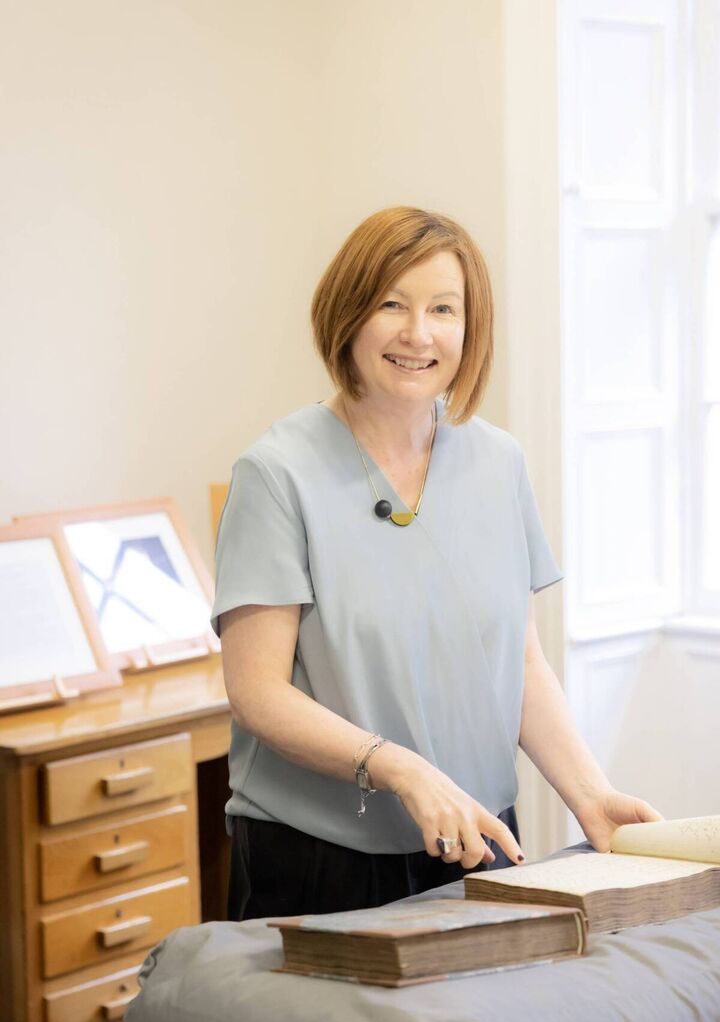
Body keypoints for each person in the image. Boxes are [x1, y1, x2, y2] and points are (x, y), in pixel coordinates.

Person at [212, 205, 662, 920]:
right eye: (391, 303)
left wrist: (589, 795)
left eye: (442, 309)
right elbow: (257, 692)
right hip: (318, 858)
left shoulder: (497, 462)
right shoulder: (276, 474)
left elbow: (518, 666)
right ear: (346, 314)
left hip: (478, 840)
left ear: (468, 327)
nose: (418, 333)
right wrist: (397, 768)